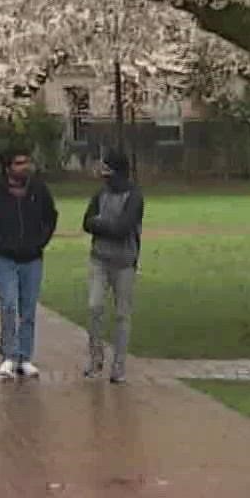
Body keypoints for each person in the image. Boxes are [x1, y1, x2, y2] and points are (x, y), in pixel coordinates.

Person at [0, 147, 58, 378]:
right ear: (8, 167)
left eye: (27, 162)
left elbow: (50, 217)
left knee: (28, 308)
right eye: (19, 163)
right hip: (5, 258)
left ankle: (25, 356)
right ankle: (9, 356)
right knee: (9, 305)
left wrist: (40, 241)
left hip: (32, 257)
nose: (25, 167)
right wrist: (0, 242)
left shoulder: (38, 190)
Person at [82, 149, 145, 382]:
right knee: (94, 307)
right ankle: (95, 359)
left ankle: (119, 367)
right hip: (99, 259)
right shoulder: (100, 194)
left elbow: (123, 228)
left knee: (122, 315)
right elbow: (87, 223)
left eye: (107, 168)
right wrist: (104, 224)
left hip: (125, 262)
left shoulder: (134, 196)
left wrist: (102, 223)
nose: (103, 174)